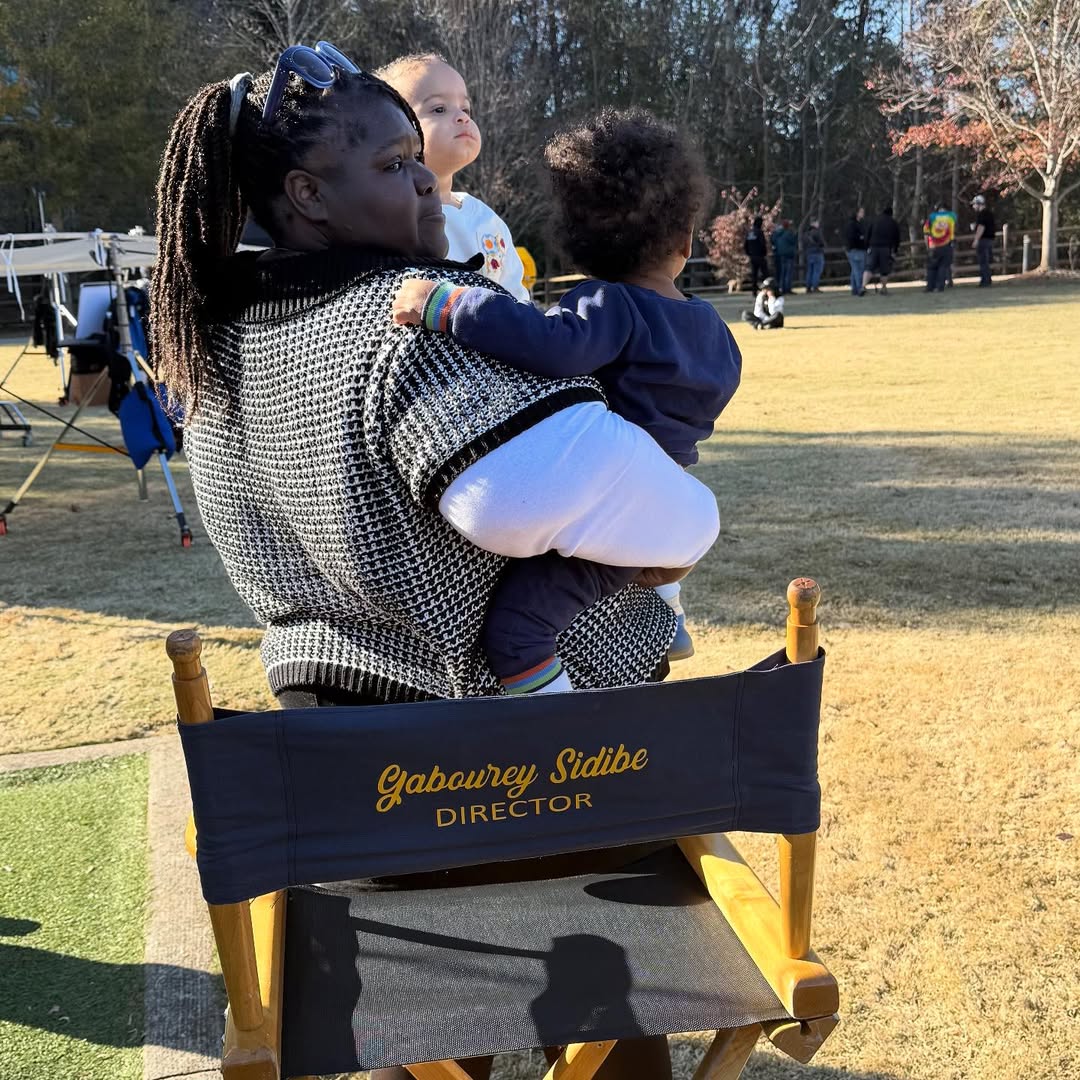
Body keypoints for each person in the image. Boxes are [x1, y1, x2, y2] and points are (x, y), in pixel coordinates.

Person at [151, 44, 716, 1080]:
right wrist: (689, 514)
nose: (421, 179)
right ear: (306, 196)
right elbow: (584, 510)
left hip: (348, 797)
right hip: (524, 788)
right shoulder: (408, 317)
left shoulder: (220, 348)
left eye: (420, 156)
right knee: (611, 1012)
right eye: (389, 163)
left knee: (436, 1038)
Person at [392, 107, 741, 693]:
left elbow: (551, 347)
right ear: (685, 240)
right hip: (661, 503)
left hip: (603, 501)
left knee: (518, 630)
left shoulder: (610, 304)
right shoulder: (713, 330)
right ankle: (669, 607)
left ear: (583, 249)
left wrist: (448, 305)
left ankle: (558, 720)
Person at [376, 52, 530, 301]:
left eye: (465, 107)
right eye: (439, 109)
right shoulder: (387, 219)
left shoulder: (488, 221)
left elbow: (518, 297)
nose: (463, 117)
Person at [864, 205, 901, 294]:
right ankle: (883, 288)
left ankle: (863, 286)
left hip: (873, 247)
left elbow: (867, 234)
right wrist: (895, 250)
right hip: (885, 248)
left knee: (869, 268)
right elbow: (897, 238)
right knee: (884, 270)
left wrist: (867, 247)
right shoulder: (893, 222)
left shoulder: (874, 220)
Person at [923, 201, 956, 292]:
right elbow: (952, 233)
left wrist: (927, 246)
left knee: (931, 267)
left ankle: (930, 286)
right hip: (946, 245)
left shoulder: (931, 218)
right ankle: (940, 286)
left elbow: (926, 232)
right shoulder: (950, 219)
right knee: (943, 267)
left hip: (933, 245)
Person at [972, 193, 996, 287]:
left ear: (979, 204)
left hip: (984, 240)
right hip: (990, 239)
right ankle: (987, 279)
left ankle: (985, 281)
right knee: (986, 261)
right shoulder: (989, 213)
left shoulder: (982, 214)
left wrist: (976, 239)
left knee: (983, 261)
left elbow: (981, 227)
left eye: (975, 204)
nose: (974, 206)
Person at [844, 207, 867, 295]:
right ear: (856, 213)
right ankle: (859, 288)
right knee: (859, 270)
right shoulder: (853, 225)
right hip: (856, 250)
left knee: (854, 270)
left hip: (854, 249)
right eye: (861, 212)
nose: (863, 213)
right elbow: (853, 237)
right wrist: (861, 238)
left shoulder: (857, 223)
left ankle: (854, 289)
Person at [771, 218, 797, 295]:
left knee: (782, 273)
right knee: (788, 273)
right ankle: (787, 288)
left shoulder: (777, 234)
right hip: (789, 255)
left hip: (780, 255)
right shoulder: (788, 233)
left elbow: (773, 241)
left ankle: (781, 288)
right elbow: (793, 241)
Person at [744, 215, 768, 292]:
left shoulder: (750, 233)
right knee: (765, 274)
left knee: (754, 274)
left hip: (752, 256)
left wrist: (749, 254)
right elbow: (762, 244)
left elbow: (745, 245)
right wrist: (764, 253)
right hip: (760, 256)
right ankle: (767, 289)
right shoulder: (759, 232)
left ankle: (754, 290)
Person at [804, 218, 825, 292]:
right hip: (817, 252)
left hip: (809, 253)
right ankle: (815, 286)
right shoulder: (816, 232)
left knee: (810, 271)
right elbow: (821, 242)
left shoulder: (806, 233)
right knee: (817, 271)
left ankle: (808, 287)